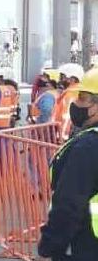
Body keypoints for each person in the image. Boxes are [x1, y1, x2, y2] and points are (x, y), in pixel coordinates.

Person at [37, 67, 98, 260]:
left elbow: (68, 205)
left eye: (82, 98)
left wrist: (49, 246)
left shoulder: (88, 147)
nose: (76, 103)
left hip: (87, 246)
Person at [54, 63, 85, 141]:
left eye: (63, 77)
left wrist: (62, 136)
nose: (61, 80)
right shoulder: (78, 91)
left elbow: (66, 116)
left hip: (65, 135)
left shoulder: (71, 93)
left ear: (72, 79)